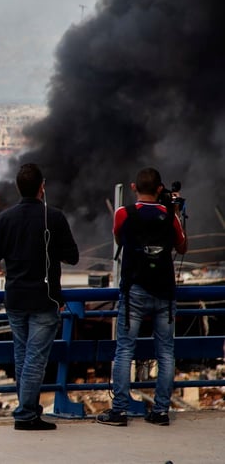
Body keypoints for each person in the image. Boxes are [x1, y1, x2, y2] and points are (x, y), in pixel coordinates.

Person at [0, 163, 79, 431]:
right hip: (44, 299)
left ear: (18, 188)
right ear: (42, 187)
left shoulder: (5, 219)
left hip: (15, 299)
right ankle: (26, 415)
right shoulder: (55, 218)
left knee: (23, 356)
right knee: (35, 359)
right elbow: (72, 256)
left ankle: (27, 411)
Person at [97, 167, 188, 427]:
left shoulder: (123, 213)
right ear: (160, 189)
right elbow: (182, 247)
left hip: (134, 290)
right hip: (164, 292)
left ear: (134, 187)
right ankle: (160, 411)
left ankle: (120, 411)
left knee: (125, 350)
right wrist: (175, 213)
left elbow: (119, 239)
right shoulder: (169, 215)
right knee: (166, 352)